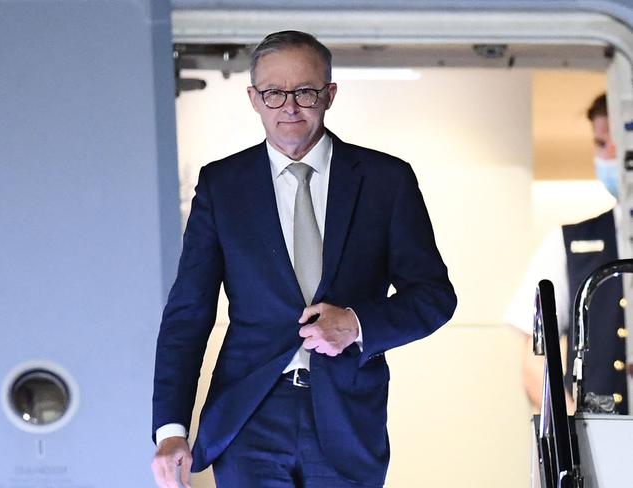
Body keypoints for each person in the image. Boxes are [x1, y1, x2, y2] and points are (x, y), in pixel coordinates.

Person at [151, 30, 456, 488]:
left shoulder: (385, 181)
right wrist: (170, 429)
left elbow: (434, 297)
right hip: (249, 414)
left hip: (347, 418)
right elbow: (187, 315)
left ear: (329, 95)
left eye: (305, 92)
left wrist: (355, 324)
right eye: (274, 93)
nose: (289, 107)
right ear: (254, 99)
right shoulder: (222, 186)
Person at [506, 93, 628, 414]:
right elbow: (535, 358)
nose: (610, 156)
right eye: (602, 145)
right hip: (597, 443)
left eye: (618, 142)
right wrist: (571, 429)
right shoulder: (567, 244)